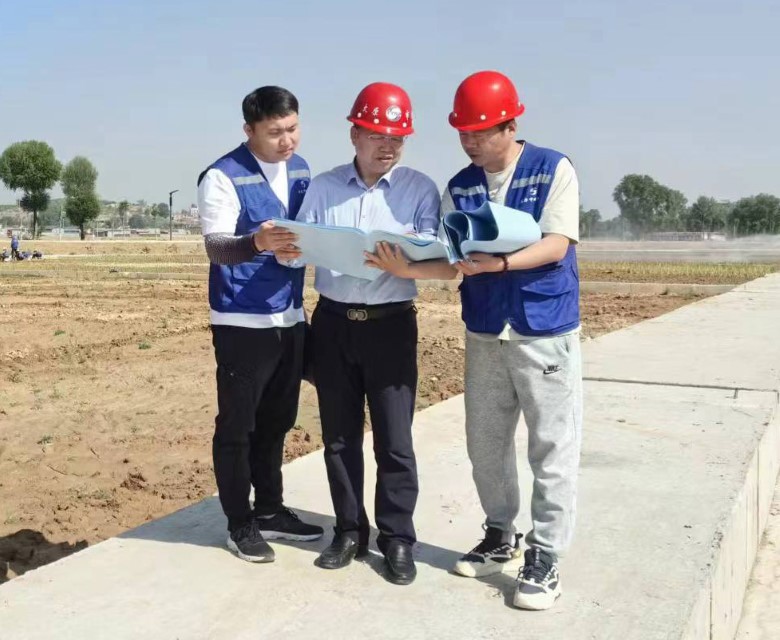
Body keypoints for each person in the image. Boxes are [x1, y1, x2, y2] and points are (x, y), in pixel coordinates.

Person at [366, 70, 582, 609]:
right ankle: (500, 533)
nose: (470, 142)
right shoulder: (460, 186)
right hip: (485, 330)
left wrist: (502, 263)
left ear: (510, 126)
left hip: (542, 328)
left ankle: (546, 554)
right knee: (485, 443)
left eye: (480, 132)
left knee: (550, 446)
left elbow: (557, 243)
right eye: (463, 132)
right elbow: (452, 260)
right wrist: (408, 268)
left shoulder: (552, 169)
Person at [295, 82, 440, 585]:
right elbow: (299, 244)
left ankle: (397, 538)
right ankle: (349, 531)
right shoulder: (324, 187)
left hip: (390, 326)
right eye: (378, 135)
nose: (388, 146)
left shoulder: (419, 189)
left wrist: (405, 262)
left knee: (395, 439)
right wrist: (292, 249)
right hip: (334, 323)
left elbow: (435, 253)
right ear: (355, 134)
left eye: (397, 138)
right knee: (339, 438)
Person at [197, 85, 323, 563]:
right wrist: (257, 242)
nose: (287, 141)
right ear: (249, 130)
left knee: (277, 421)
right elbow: (217, 248)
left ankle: (270, 510)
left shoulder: (302, 170)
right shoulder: (223, 176)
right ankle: (240, 522)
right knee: (238, 426)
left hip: (288, 316)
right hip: (241, 321)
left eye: (293, 129)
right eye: (274, 133)